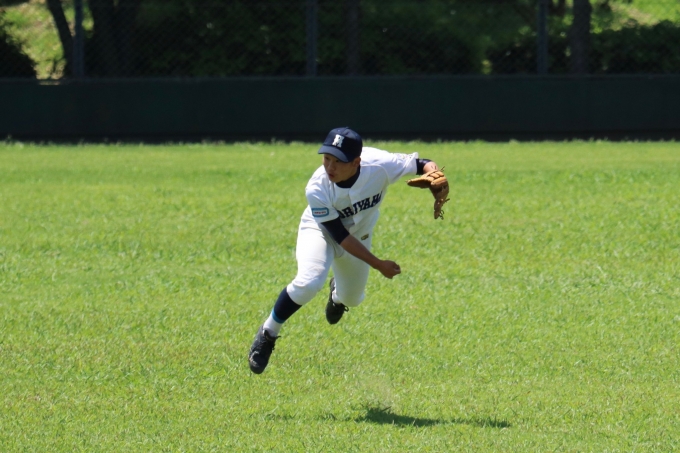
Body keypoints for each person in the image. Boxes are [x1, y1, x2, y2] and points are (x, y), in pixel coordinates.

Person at [248, 127, 445, 374]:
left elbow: (421, 164)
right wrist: (378, 264)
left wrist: (434, 172)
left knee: (352, 298)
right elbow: (340, 236)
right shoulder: (317, 187)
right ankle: (268, 332)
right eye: (326, 158)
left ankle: (337, 296)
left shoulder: (380, 165)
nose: (330, 167)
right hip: (320, 231)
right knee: (309, 282)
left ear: (356, 162)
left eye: (338, 161)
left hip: (359, 234)